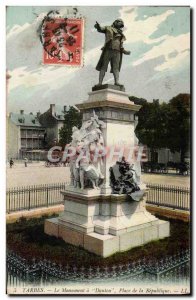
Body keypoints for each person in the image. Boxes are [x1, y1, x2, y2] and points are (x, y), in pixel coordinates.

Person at [94, 19, 130, 86]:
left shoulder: (121, 33)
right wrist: (98, 26)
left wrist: (125, 51)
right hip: (108, 50)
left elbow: (121, 45)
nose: (121, 25)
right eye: (120, 22)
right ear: (115, 22)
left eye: (122, 24)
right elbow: (101, 29)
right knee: (103, 67)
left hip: (117, 52)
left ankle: (117, 82)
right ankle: (100, 83)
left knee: (116, 68)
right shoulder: (108, 28)